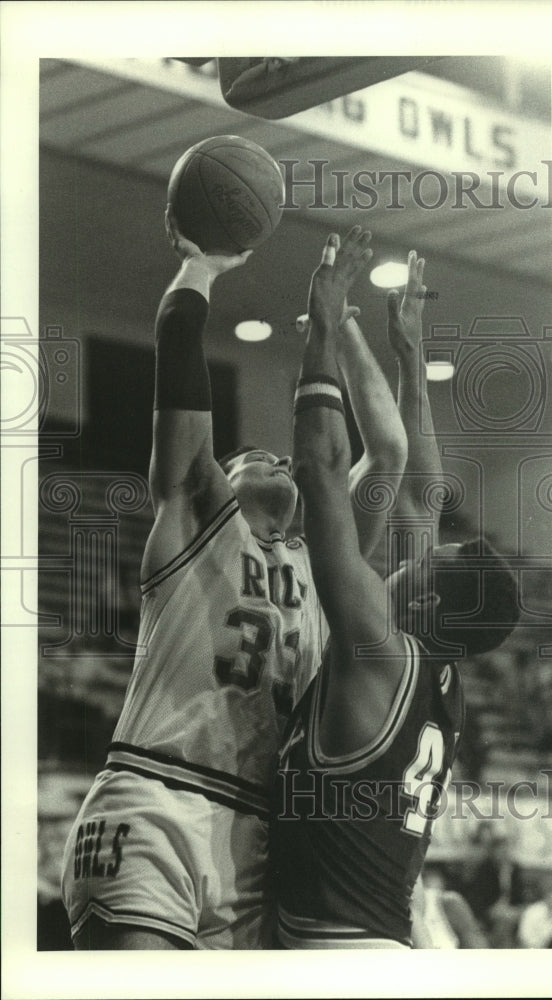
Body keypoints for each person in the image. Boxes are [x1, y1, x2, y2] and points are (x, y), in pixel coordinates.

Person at [60, 212, 407, 950]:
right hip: (156, 795)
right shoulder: (195, 516)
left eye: (286, 458)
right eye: (256, 456)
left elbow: (388, 451)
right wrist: (202, 269)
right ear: (222, 474)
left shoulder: (324, 565)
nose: (281, 460)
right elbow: (178, 349)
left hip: (259, 834)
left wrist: (342, 324)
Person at [271, 227, 520, 949]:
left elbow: (319, 472)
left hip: (333, 950)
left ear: (433, 599)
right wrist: (409, 354)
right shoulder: (439, 680)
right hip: (379, 944)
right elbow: (420, 497)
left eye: (427, 561)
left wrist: (324, 326)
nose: (410, 557)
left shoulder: (378, 649)